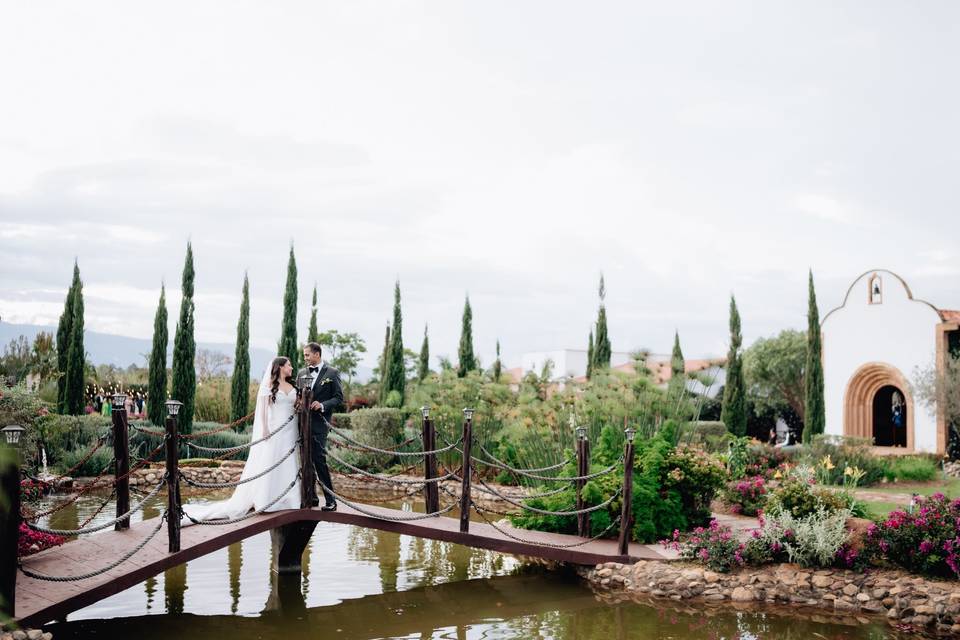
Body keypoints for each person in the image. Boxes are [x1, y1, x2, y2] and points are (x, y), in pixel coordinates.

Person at [181, 356, 302, 523]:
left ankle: (290, 498)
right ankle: (269, 499)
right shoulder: (270, 385)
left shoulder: (293, 385)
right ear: (280, 367)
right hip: (276, 428)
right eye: (289, 365)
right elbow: (263, 410)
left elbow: (297, 405)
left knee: (289, 461)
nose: (292, 367)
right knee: (273, 460)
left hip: (291, 428)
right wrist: (266, 428)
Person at [298, 342, 344, 511]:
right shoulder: (302, 373)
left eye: (307, 355)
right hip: (302, 424)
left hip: (319, 425)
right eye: (304, 355)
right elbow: (298, 396)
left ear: (317, 354)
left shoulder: (332, 373)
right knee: (305, 461)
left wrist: (322, 405)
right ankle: (311, 497)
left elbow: (339, 398)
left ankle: (331, 501)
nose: (305, 358)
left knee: (319, 461)